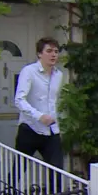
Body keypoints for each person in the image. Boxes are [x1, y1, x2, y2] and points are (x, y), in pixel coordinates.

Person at [13, 36, 64, 171]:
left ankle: (55, 193)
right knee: (18, 168)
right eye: (49, 51)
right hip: (30, 128)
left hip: (51, 131)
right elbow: (19, 100)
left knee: (57, 171)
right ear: (39, 54)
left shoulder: (59, 75)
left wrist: (58, 124)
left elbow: (53, 102)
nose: (53, 54)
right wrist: (39, 116)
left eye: (56, 51)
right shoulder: (29, 71)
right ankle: (10, 192)